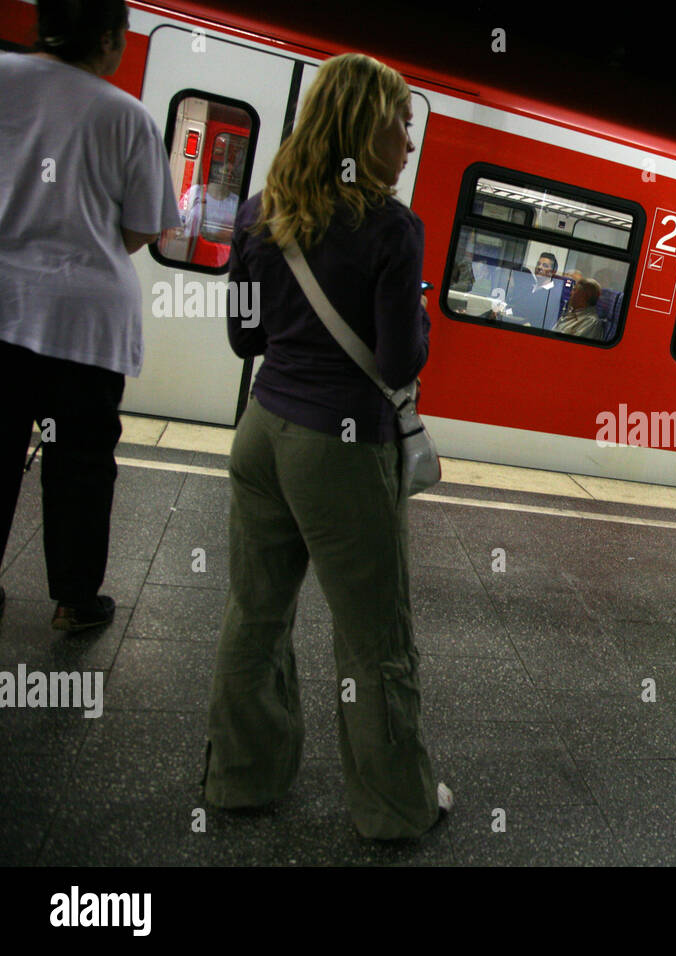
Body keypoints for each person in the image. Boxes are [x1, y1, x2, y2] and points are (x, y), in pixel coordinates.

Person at [203, 53, 451, 840]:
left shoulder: (254, 214)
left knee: (255, 614)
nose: (408, 142)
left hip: (261, 433)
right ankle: (396, 809)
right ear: (360, 130)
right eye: (398, 125)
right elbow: (396, 361)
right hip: (339, 449)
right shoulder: (390, 228)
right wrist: (422, 321)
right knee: (376, 640)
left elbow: (245, 333)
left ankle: (242, 779)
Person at [0, 0, 180, 629]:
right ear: (107, 39)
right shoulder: (124, 116)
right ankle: (75, 600)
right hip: (84, 324)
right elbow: (139, 229)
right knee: (79, 465)